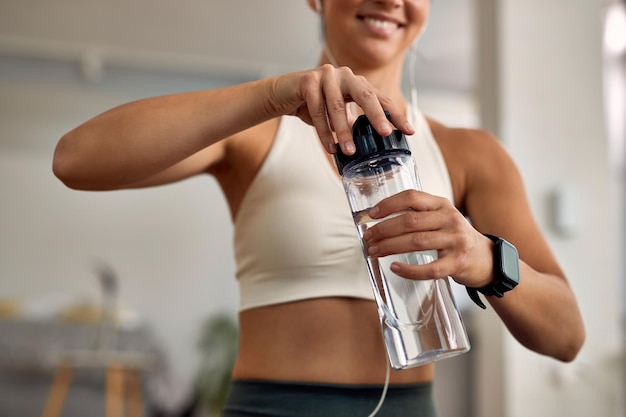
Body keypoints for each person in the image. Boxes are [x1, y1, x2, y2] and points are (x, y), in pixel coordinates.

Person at [52, 0, 585, 415]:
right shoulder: (258, 132)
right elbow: (74, 160)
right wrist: (271, 96)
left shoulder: (472, 155)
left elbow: (566, 335)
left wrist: (485, 257)